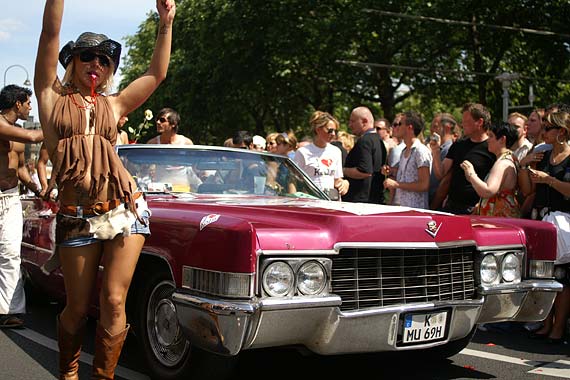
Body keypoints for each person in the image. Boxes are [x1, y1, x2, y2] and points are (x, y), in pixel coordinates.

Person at [34, 1, 176, 378]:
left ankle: (103, 376)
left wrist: (166, 22)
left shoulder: (114, 105)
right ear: (73, 62)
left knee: (114, 300)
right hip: (77, 216)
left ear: (109, 69)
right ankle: (68, 372)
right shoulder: (50, 99)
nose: (95, 63)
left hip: (124, 210)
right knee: (77, 308)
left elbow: (156, 73)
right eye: (86, 56)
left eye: (103, 58)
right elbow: (50, 34)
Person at [519, 111, 570, 344]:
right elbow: (528, 190)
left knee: (563, 278)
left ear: (562, 132)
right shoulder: (542, 153)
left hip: (564, 225)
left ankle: (558, 327)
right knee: (544, 274)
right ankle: (545, 322)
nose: (543, 130)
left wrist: (549, 180)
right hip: (542, 220)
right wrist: (523, 166)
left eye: (548, 127)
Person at [0, 85, 43, 329]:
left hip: (11, 198)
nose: (30, 108)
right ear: (17, 103)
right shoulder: (2, 126)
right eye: (28, 103)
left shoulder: (16, 131)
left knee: (10, 253)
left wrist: (39, 191)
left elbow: (22, 169)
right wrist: (57, 124)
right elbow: (33, 137)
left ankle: (9, 311)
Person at [431, 103, 496, 214]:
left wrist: (480, 206)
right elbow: (440, 173)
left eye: (466, 122)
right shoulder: (458, 145)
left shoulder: (492, 148)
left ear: (479, 122)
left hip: (476, 210)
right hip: (452, 207)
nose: (462, 125)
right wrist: (436, 151)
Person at [460, 122, 521, 217]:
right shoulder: (510, 158)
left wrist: (471, 174)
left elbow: (488, 191)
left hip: (499, 221)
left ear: (502, 139)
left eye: (491, 136)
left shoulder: (502, 163)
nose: (488, 140)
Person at [293, 111, 349, 199]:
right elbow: (293, 180)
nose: (333, 134)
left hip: (331, 201)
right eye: (330, 130)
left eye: (335, 131)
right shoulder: (302, 152)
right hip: (310, 201)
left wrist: (345, 183)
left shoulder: (336, 151)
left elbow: (336, 180)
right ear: (318, 129)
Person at [382, 110, 432, 209]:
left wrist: (397, 184)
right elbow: (409, 174)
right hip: (401, 207)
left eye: (400, 124)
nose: (396, 127)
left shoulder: (420, 151)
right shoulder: (404, 151)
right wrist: (391, 171)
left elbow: (424, 185)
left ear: (410, 127)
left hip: (414, 210)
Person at [343, 106, 387, 204]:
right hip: (374, 198)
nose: (350, 125)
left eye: (353, 121)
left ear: (364, 121)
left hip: (360, 201)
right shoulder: (379, 141)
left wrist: (343, 171)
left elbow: (364, 171)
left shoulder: (365, 141)